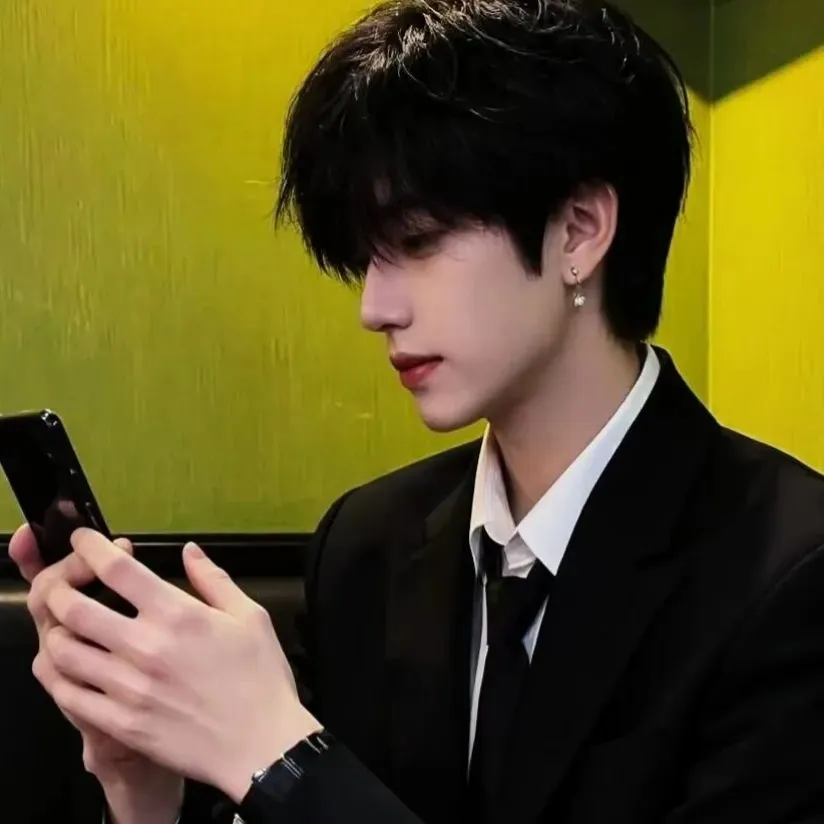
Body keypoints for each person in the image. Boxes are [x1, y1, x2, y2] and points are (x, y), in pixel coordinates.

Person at [10, 0, 824, 822]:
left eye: (418, 241)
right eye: (366, 256)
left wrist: (282, 755)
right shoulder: (366, 546)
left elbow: (306, 785)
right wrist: (145, 787)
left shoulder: (790, 572)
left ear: (579, 231)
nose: (375, 308)